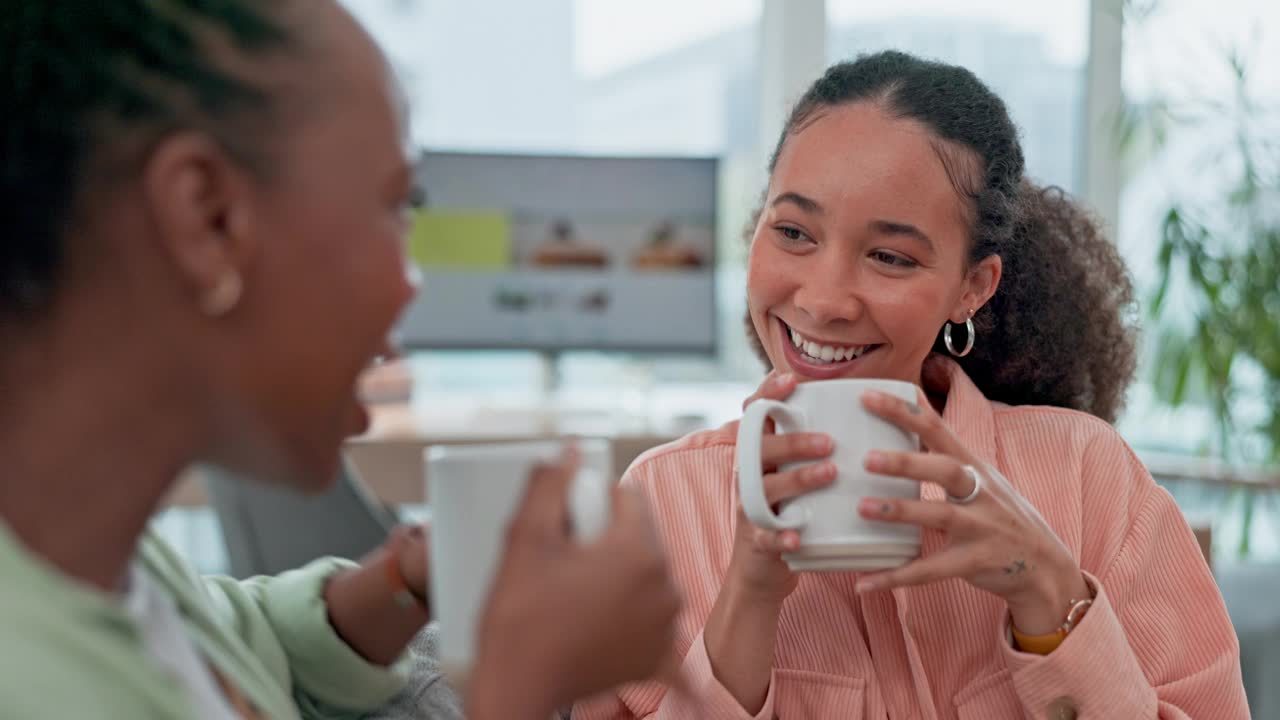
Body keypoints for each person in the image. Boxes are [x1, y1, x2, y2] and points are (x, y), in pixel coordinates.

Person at [0, 3, 679, 719]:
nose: (410, 283)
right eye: (394, 206)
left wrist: (406, 581)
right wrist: (527, 688)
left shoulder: (102, 557)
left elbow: (235, 630)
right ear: (208, 216)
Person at [574, 51, 1249, 719]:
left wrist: (1051, 598)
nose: (825, 300)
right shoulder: (660, 504)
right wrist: (745, 603)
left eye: (890, 257)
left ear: (971, 287)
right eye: (792, 232)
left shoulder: (1089, 479)